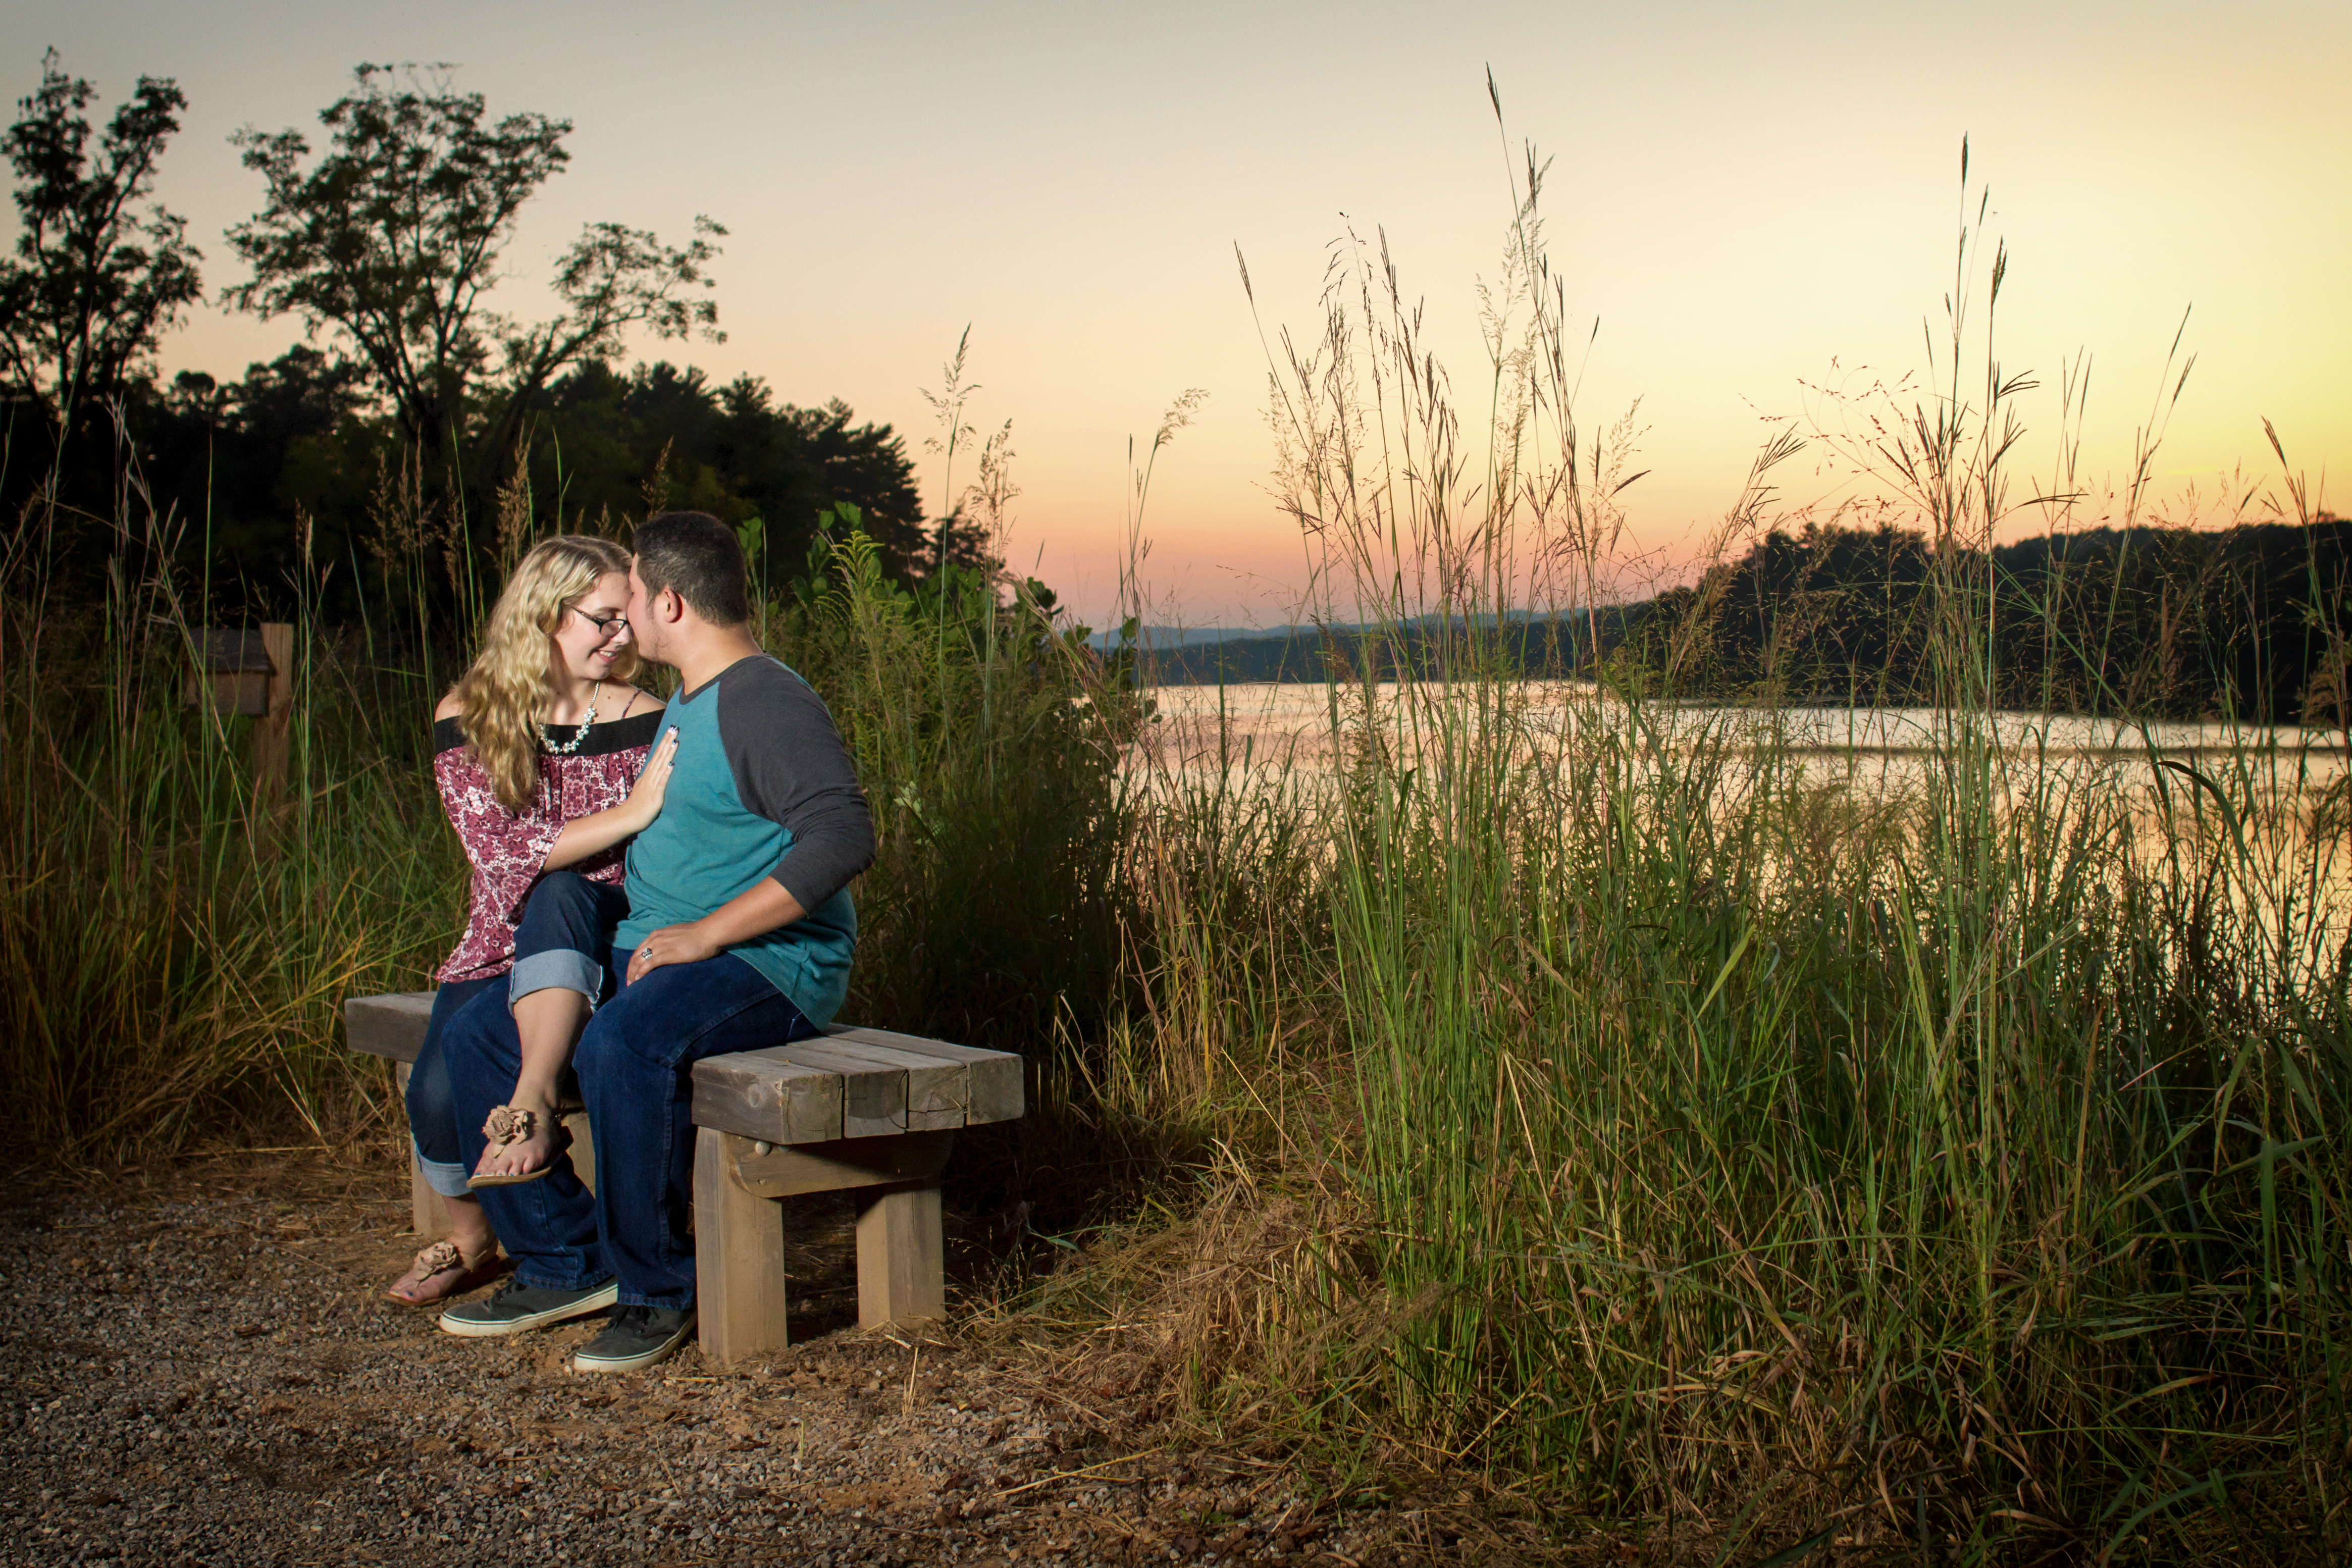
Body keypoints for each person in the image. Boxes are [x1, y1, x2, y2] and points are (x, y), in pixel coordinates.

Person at [437, 510, 875, 1373]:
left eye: (630, 593)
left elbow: (844, 835)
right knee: (478, 1034)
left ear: (670, 603)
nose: (622, 611)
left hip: (769, 963)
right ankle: (568, 1260)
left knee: (624, 1041)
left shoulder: (761, 696)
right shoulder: (692, 693)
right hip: (662, 944)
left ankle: (656, 1288)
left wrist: (705, 934)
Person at [384, 536, 680, 1306]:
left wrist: (638, 822)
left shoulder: (648, 716)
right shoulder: (470, 713)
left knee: (565, 893)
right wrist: (629, 811)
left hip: (606, 941)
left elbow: (666, 848)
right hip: (499, 943)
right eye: (604, 619)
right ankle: (475, 1237)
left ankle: (571, 1240)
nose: (625, 637)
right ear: (545, 615)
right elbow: (500, 854)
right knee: (437, 1093)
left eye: (630, 618)